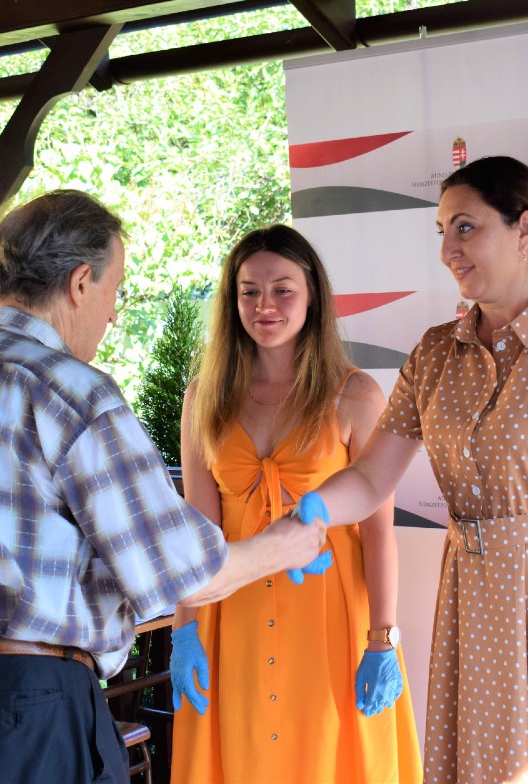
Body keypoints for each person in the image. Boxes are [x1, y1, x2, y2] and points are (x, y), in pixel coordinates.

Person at [0, 190, 328, 784]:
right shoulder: (70, 388)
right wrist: (285, 545)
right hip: (18, 702)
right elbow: (180, 569)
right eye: (114, 290)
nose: (113, 314)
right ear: (80, 283)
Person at [295, 156, 528, 784]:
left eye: (465, 227)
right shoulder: (436, 352)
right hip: (471, 598)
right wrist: (317, 508)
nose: (447, 250)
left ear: (525, 229)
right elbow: (372, 478)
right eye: (442, 231)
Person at [169, 224, 422, 783]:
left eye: (283, 289)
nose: (265, 305)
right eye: (249, 291)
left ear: (312, 297)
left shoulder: (354, 394)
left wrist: (382, 637)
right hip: (231, 613)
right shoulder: (203, 398)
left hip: (332, 618)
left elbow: (379, 533)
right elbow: (198, 530)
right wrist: (185, 629)